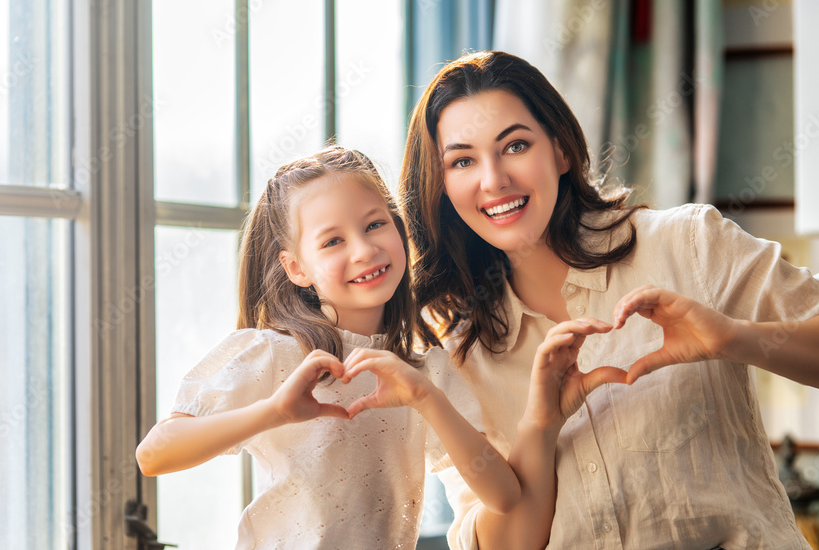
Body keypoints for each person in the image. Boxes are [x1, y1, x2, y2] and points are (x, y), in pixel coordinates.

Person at [399, 50, 819, 550]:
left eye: (514, 145)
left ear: (560, 152)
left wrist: (735, 338)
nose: (493, 179)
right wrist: (539, 427)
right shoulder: (449, 342)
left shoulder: (686, 244)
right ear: (442, 186)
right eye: (463, 160)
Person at [136, 146, 529, 549]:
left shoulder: (426, 374)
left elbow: (505, 496)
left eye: (375, 225)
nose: (363, 250)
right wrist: (275, 411)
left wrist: (426, 398)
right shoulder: (274, 353)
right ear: (296, 269)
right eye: (332, 241)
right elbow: (153, 455)